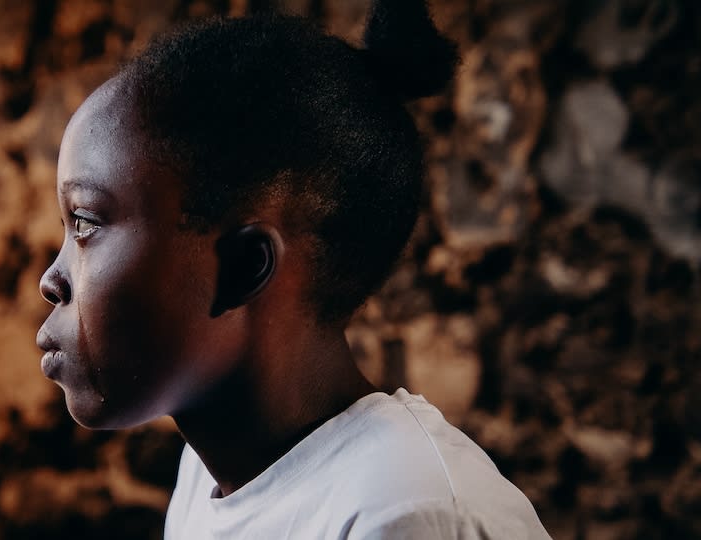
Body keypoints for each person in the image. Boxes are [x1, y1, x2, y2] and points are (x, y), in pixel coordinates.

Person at [36, 1, 551, 538]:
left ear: (242, 269)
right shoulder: (210, 472)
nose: (51, 280)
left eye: (85, 224)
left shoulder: (404, 514)